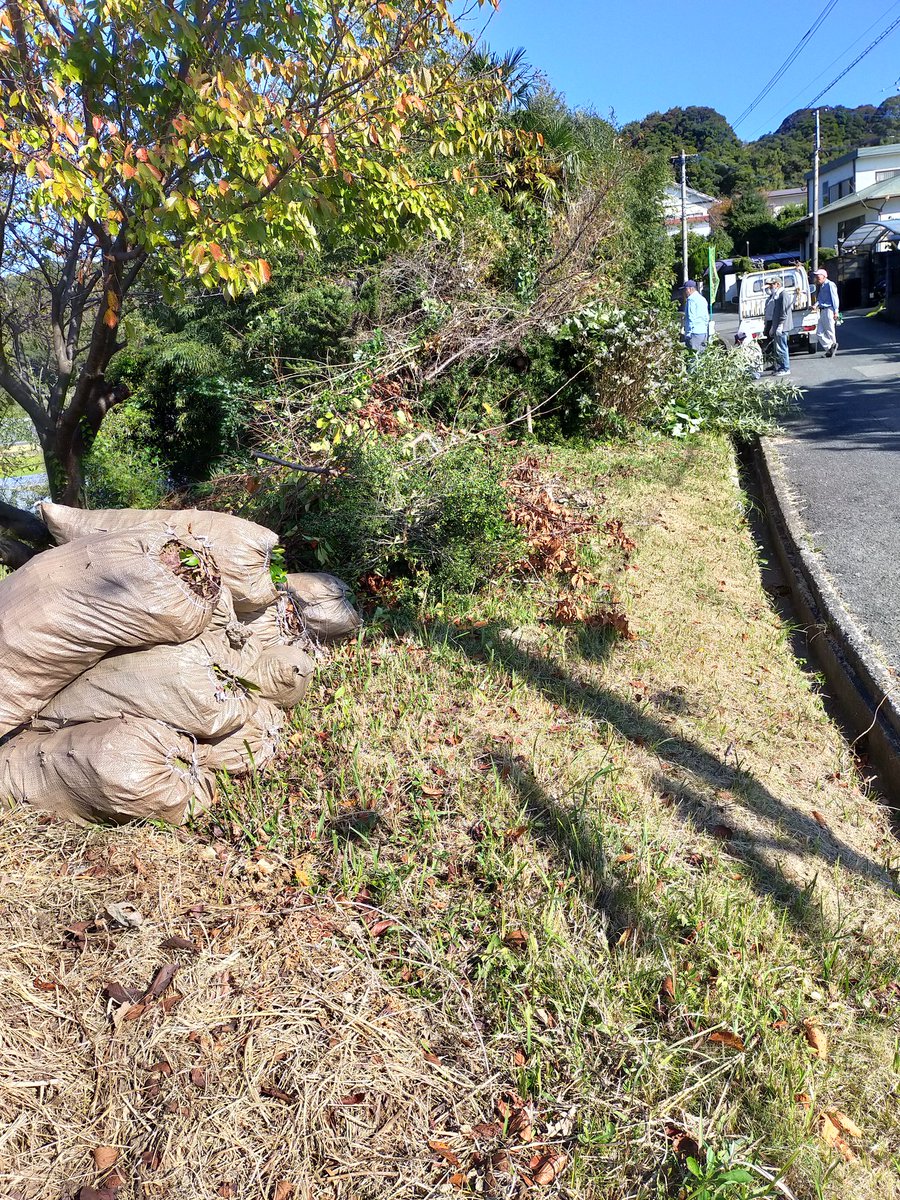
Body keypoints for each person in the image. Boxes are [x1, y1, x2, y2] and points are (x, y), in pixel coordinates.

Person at [763, 276, 793, 376]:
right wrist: (773, 327)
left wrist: (780, 325)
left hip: (782, 326)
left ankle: (785, 368)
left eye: (772, 284)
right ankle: (780, 367)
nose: (770, 287)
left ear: (778, 284)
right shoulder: (778, 295)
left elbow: (784, 312)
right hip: (778, 325)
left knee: (782, 348)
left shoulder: (783, 295)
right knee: (778, 348)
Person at [813, 267, 840, 357]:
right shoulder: (822, 286)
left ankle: (832, 349)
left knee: (830, 331)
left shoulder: (830, 284)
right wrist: (815, 305)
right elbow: (820, 298)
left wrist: (836, 311)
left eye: (818, 277)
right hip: (822, 310)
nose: (817, 279)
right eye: (816, 277)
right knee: (819, 332)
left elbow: (835, 298)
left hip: (829, 310)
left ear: (824, 276)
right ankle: (830, 347)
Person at [681, 279, 709, 352]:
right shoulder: (702, 299)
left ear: (689, 289)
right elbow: (706, 317)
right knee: (702, 356)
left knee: (693, 358)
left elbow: (691, 317)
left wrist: (688, 334)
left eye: (684, 290)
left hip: (694, 333)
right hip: (703, 332)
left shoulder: (691, 299)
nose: (684, 293)